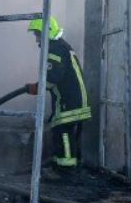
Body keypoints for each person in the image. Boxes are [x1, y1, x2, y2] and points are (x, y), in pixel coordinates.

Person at [25, 16, 91, 172]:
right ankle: (57, 164)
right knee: (58, 129)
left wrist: (37, 87)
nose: (36, 40)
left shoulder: (56, 49)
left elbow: (53, 76)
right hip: (71, 100)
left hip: (69, 101)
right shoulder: (60, 47)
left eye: (38, 35)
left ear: (47, 32)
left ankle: (66, 169)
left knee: (63, 132)